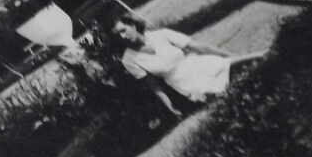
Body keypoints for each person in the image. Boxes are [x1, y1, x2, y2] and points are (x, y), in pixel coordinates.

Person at [109, 13, 265, 112]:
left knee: (236, 64)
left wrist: (230, 56)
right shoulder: (128, 60)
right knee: (222, 96)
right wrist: (168, 105)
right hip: (182, 83)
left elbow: (199, 46)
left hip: (195, 64)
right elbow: (152, 84)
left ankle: (268, 53)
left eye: (123, 30)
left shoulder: (161, 34)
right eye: (118, 35)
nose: (123, 37)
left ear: (133, 25)